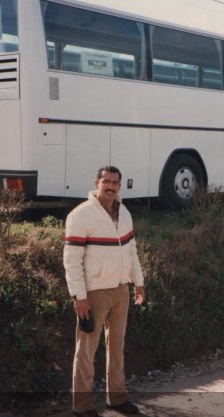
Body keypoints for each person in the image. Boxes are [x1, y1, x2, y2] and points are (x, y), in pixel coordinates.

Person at [64, 165, 146, 417]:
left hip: (121, 290)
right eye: (106, 181)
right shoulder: (81, 215)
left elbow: (131, 252)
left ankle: (117, 398)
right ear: (97, 182)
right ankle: (83, 406)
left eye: (115, 182)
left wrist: (138, 283)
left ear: (120, 186)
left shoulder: (124, 213)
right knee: (86, 350)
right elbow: (71, 259)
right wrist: (79, 296)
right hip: (94, 293)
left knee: (117, 347)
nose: (110, 186)